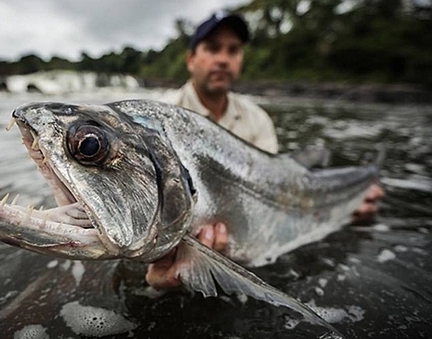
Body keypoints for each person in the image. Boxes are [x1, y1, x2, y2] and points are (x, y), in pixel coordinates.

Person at [146, 11, 384, 289]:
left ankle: (368, 177)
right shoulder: (156, 121)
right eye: (212, 48)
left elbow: (279, 191)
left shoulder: (258, 120)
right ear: (191, 59)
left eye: (233, 50)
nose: (223, 59)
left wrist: (345, 211)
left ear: (241, 60)